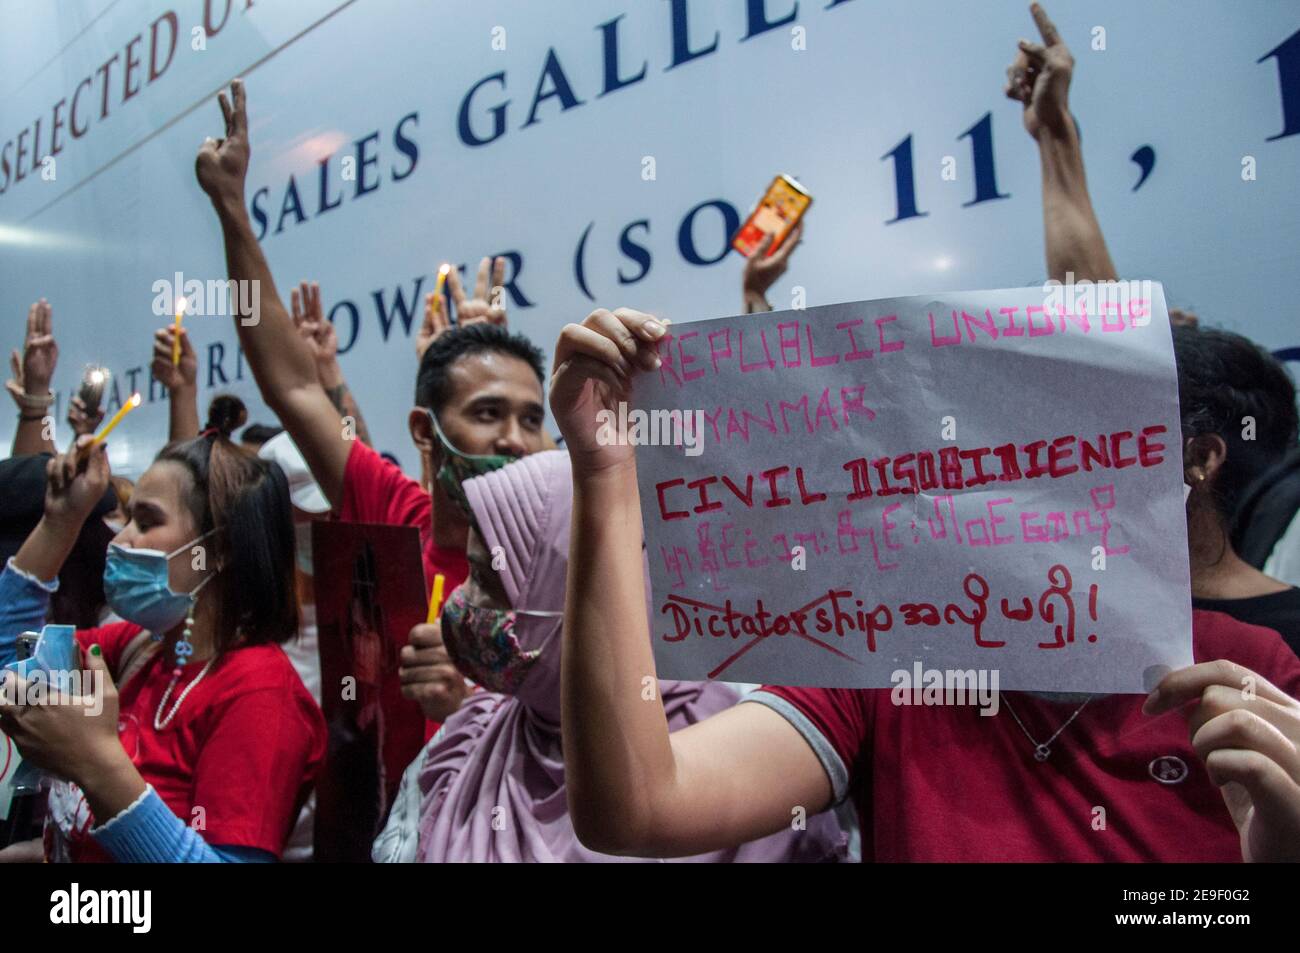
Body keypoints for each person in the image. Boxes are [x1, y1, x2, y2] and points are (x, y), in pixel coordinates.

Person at [548, 304, 1300, 862]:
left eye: (1074, 443)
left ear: (1169, 465)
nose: (1027, 469)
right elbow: (641, 808)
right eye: (992, 436)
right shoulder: (888, 660)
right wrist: (606, 475)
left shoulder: (1253, 675)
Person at [194, 82, 550, 714]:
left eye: (531, 418)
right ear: (423, 431)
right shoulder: (394, 514)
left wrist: (467, 702)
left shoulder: (564, 559)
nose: (515, 440)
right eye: (488, 413)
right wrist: (230, 209)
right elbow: (292, 384)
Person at [373, 450, 846, 862]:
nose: (462, 600)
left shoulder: (747, 747)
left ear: (568, 593)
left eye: (483, 580)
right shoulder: (465, 740)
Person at [1008, 3, 1300, 651]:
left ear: (1199, 457)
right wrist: (1055, 136)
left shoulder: (1281, 652)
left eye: (1126, 412)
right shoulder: (1103, 608)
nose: (1089, 429)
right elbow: (1092, 312)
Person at [0, 428, 325, 862]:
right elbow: (13, 665)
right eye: (128, 518)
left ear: (216, 549)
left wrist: (97, 766)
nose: (120, 540)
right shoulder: (143, 648)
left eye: (148, 522)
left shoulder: (261, 696)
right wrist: (60, 522)